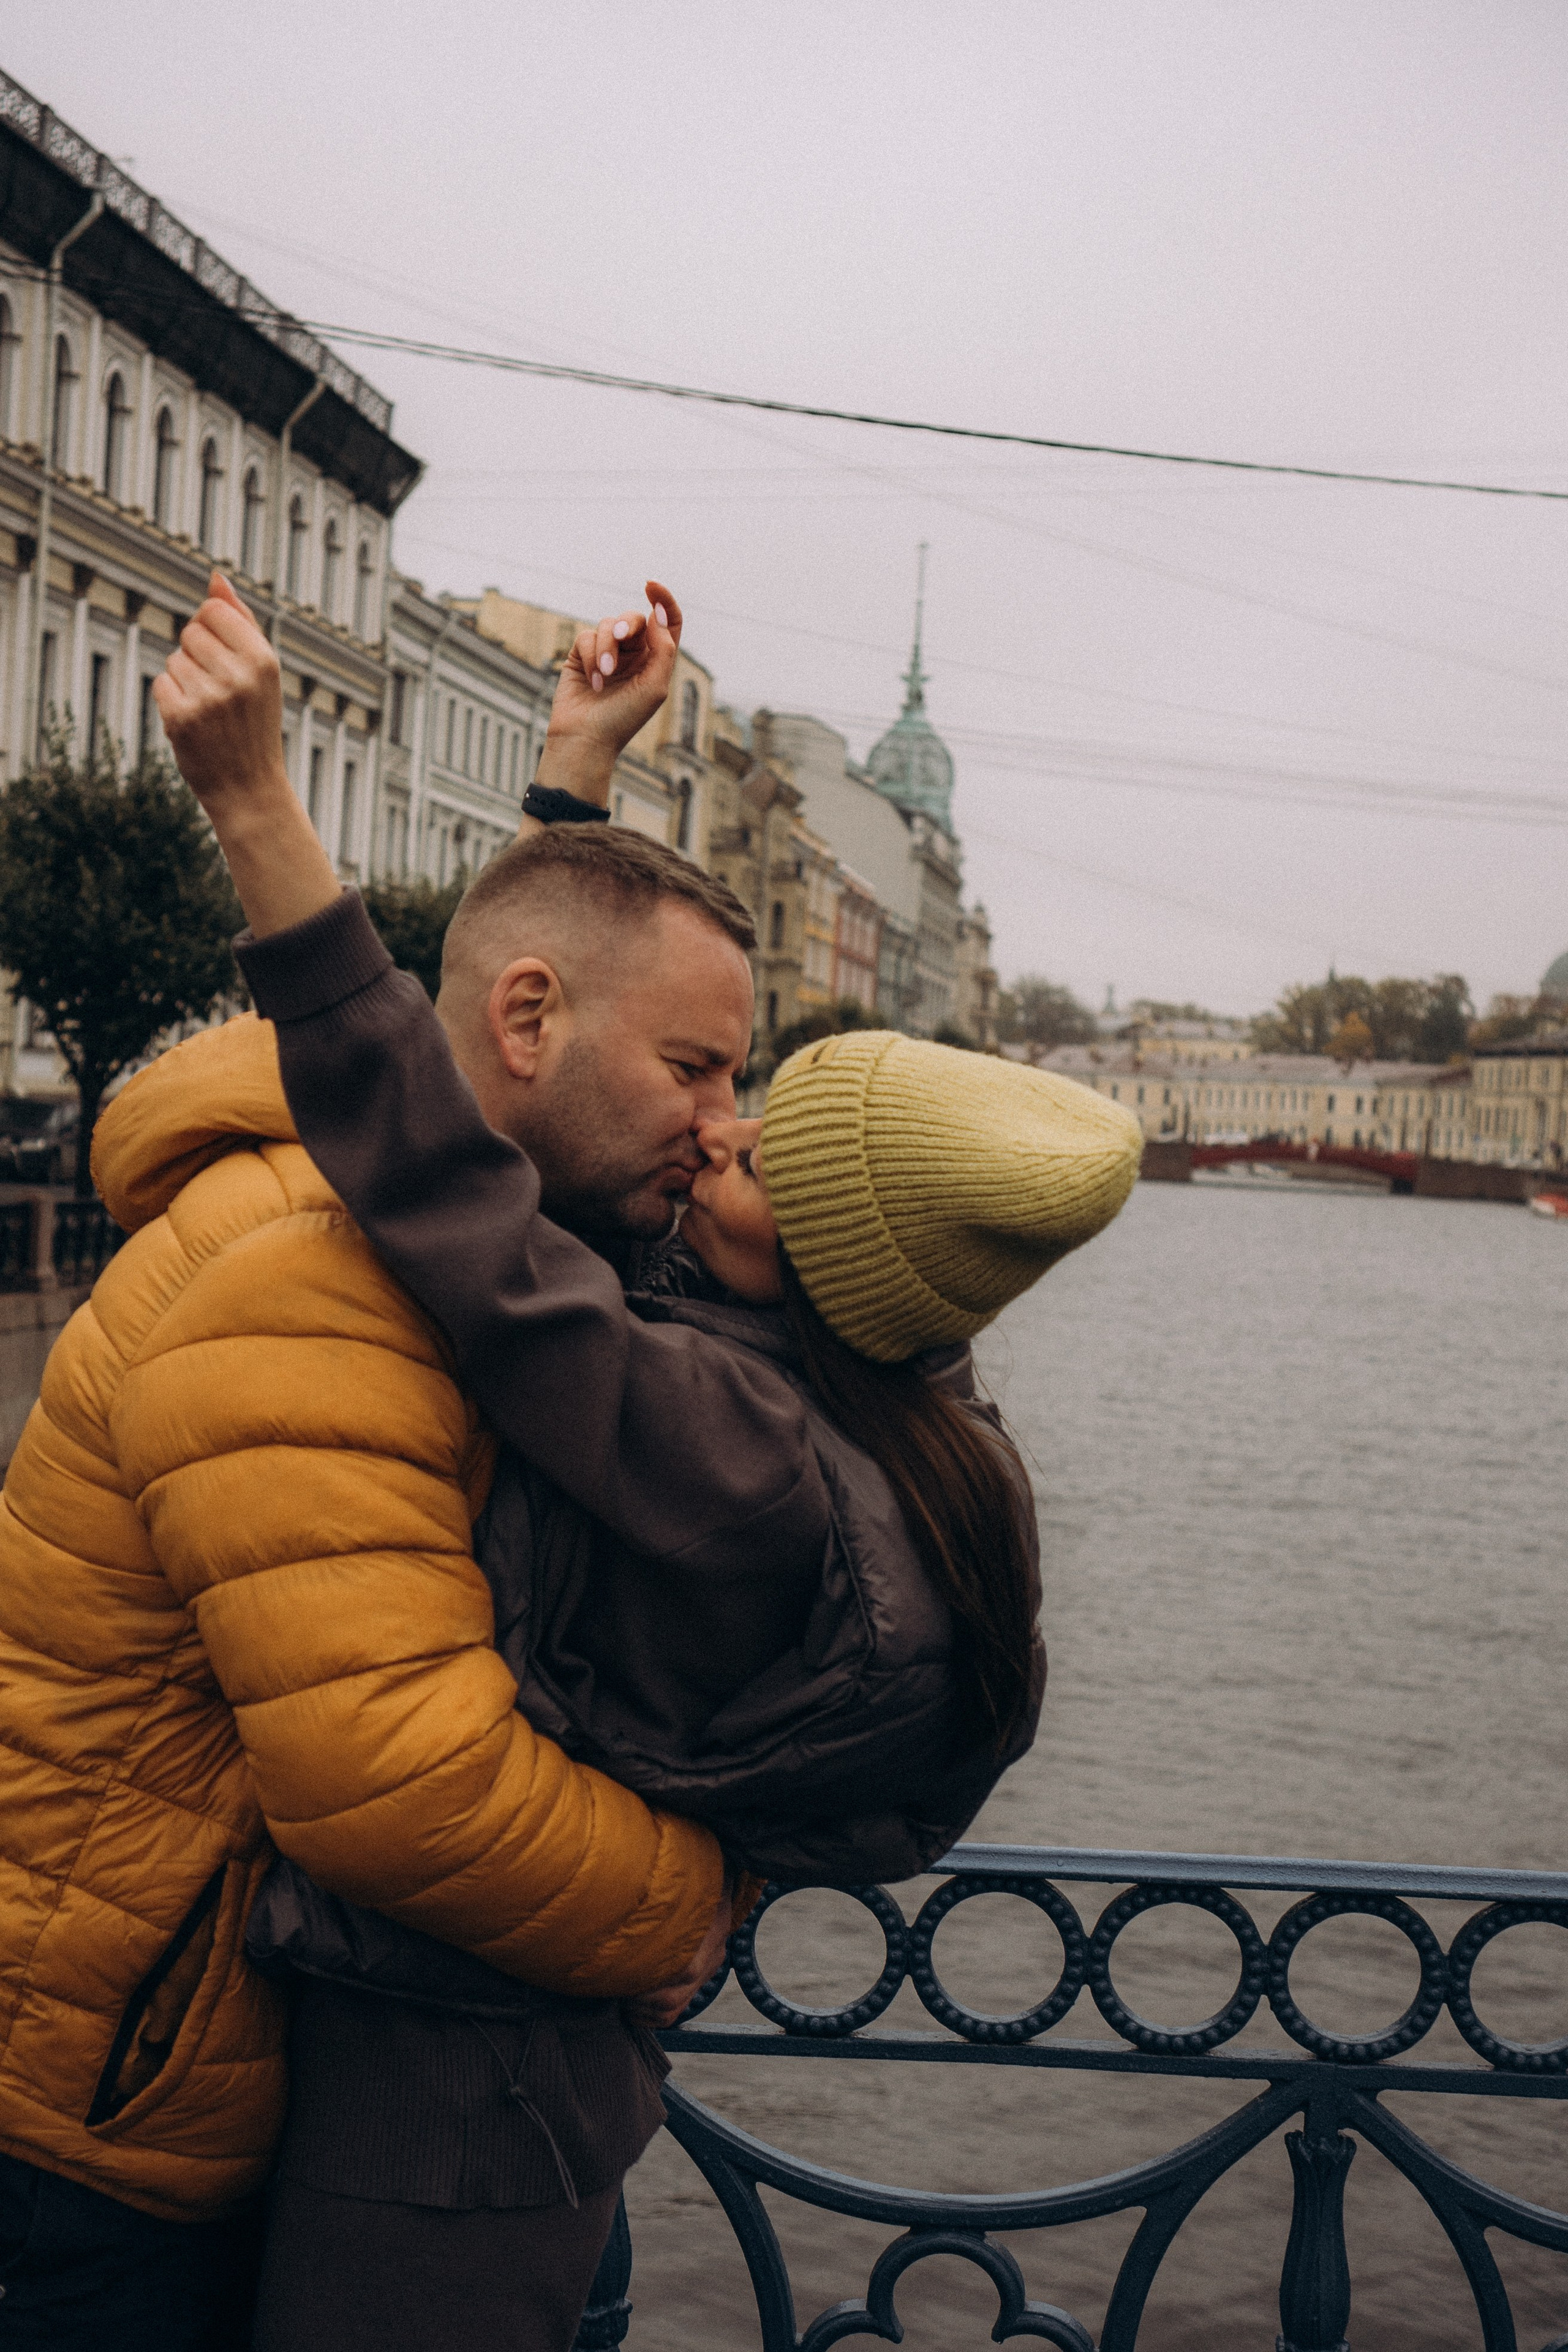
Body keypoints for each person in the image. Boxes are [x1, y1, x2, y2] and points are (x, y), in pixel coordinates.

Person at [156, 573, 1143, 2349]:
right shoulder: (866, 1394)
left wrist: (260, 820)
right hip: (528, 2074)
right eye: (712, 1088)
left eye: (752, 1146)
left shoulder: (733, 1446)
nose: (711, 1136)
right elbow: (535, 1071)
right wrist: (575, 789)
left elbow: (469, 1205)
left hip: (452, 2102)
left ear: (822, 1263)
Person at [0, 587, 744, 2350]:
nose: (725, 1125)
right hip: (86, 2122)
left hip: (186, 2057)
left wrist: (570, 788)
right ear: (530, 1026)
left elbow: (489, 1030)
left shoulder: (417, 1221)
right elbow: (402, 1784)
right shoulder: (308, 1273)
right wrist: (687, 1908)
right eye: (697, 1068)